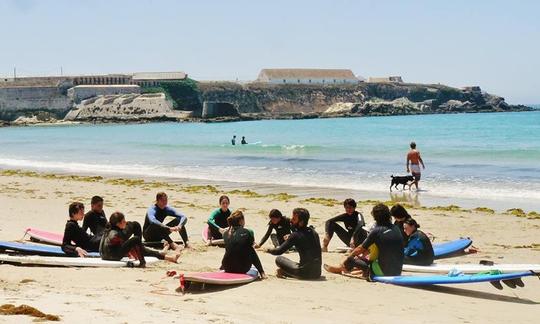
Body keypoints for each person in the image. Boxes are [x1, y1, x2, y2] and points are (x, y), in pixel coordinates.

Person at [324, 203, 404, 278]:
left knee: (352, 258)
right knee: (367, 258)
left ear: (376, 218)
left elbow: (360, 249)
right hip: (397, 271)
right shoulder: (395, 228)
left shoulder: (377, 231)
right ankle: (354, 269)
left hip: (384, 273)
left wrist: (348, 258)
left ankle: (341, 268)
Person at [100, 212, 181, 267]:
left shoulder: (109, 228)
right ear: (118, 224)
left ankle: (169, 257)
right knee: (136, 240)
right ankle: (142, 262)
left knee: (136, 226)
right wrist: (132, 252)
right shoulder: (115, 234)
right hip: (113, 256)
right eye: (124, 221)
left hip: (104, 254)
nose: (126, 222)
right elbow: (117, 242)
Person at [265, 208, 322, 280]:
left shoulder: (295, 235)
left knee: (279, 259)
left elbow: (278, 252)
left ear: (301, 222)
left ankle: (285, 272)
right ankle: (288, 272)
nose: (291, 220)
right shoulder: (314, 232)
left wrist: (267, 250)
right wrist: (291, 236)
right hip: (317, 273)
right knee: (304, 262)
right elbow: (302, 237)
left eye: (294, 219)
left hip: (304, 274)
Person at [220, 210, 266, 279]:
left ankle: (221, 266)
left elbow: (230, 249)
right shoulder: (248, 232)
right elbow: (251, 250)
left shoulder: (225, 233)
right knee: (250, 250)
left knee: (231, 247)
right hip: (242, 268)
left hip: (227, 267)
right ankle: (262, 272)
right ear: (241, 221)